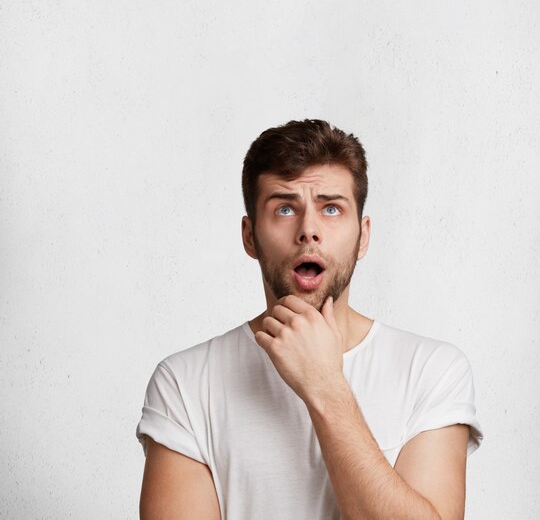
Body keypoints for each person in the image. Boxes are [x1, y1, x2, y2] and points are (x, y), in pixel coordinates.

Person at [136, 119, 483, 520]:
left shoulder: (433, 371)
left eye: (331, 208)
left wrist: (325, 386)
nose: (309, 230)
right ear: (250, 236)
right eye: (285, 208)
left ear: (362, 236)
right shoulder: (184, 383)